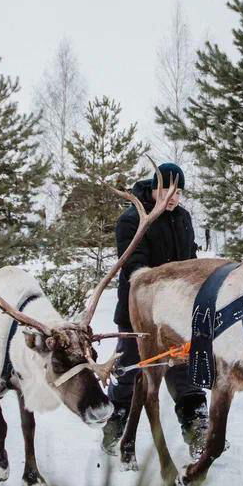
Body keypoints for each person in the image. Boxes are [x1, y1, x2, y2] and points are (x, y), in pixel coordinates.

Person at [102, 162, 210, 457]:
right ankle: (118, 422)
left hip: (178, 315)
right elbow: (134, 268)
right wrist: (166, 289)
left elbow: (190, 260)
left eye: (178, 191)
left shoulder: (183, 218)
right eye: (166, 189)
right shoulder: (132, 220)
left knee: (185, 369)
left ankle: (197, 427)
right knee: (130, 372)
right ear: (153, 187)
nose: (173, 196)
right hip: (139, 314)